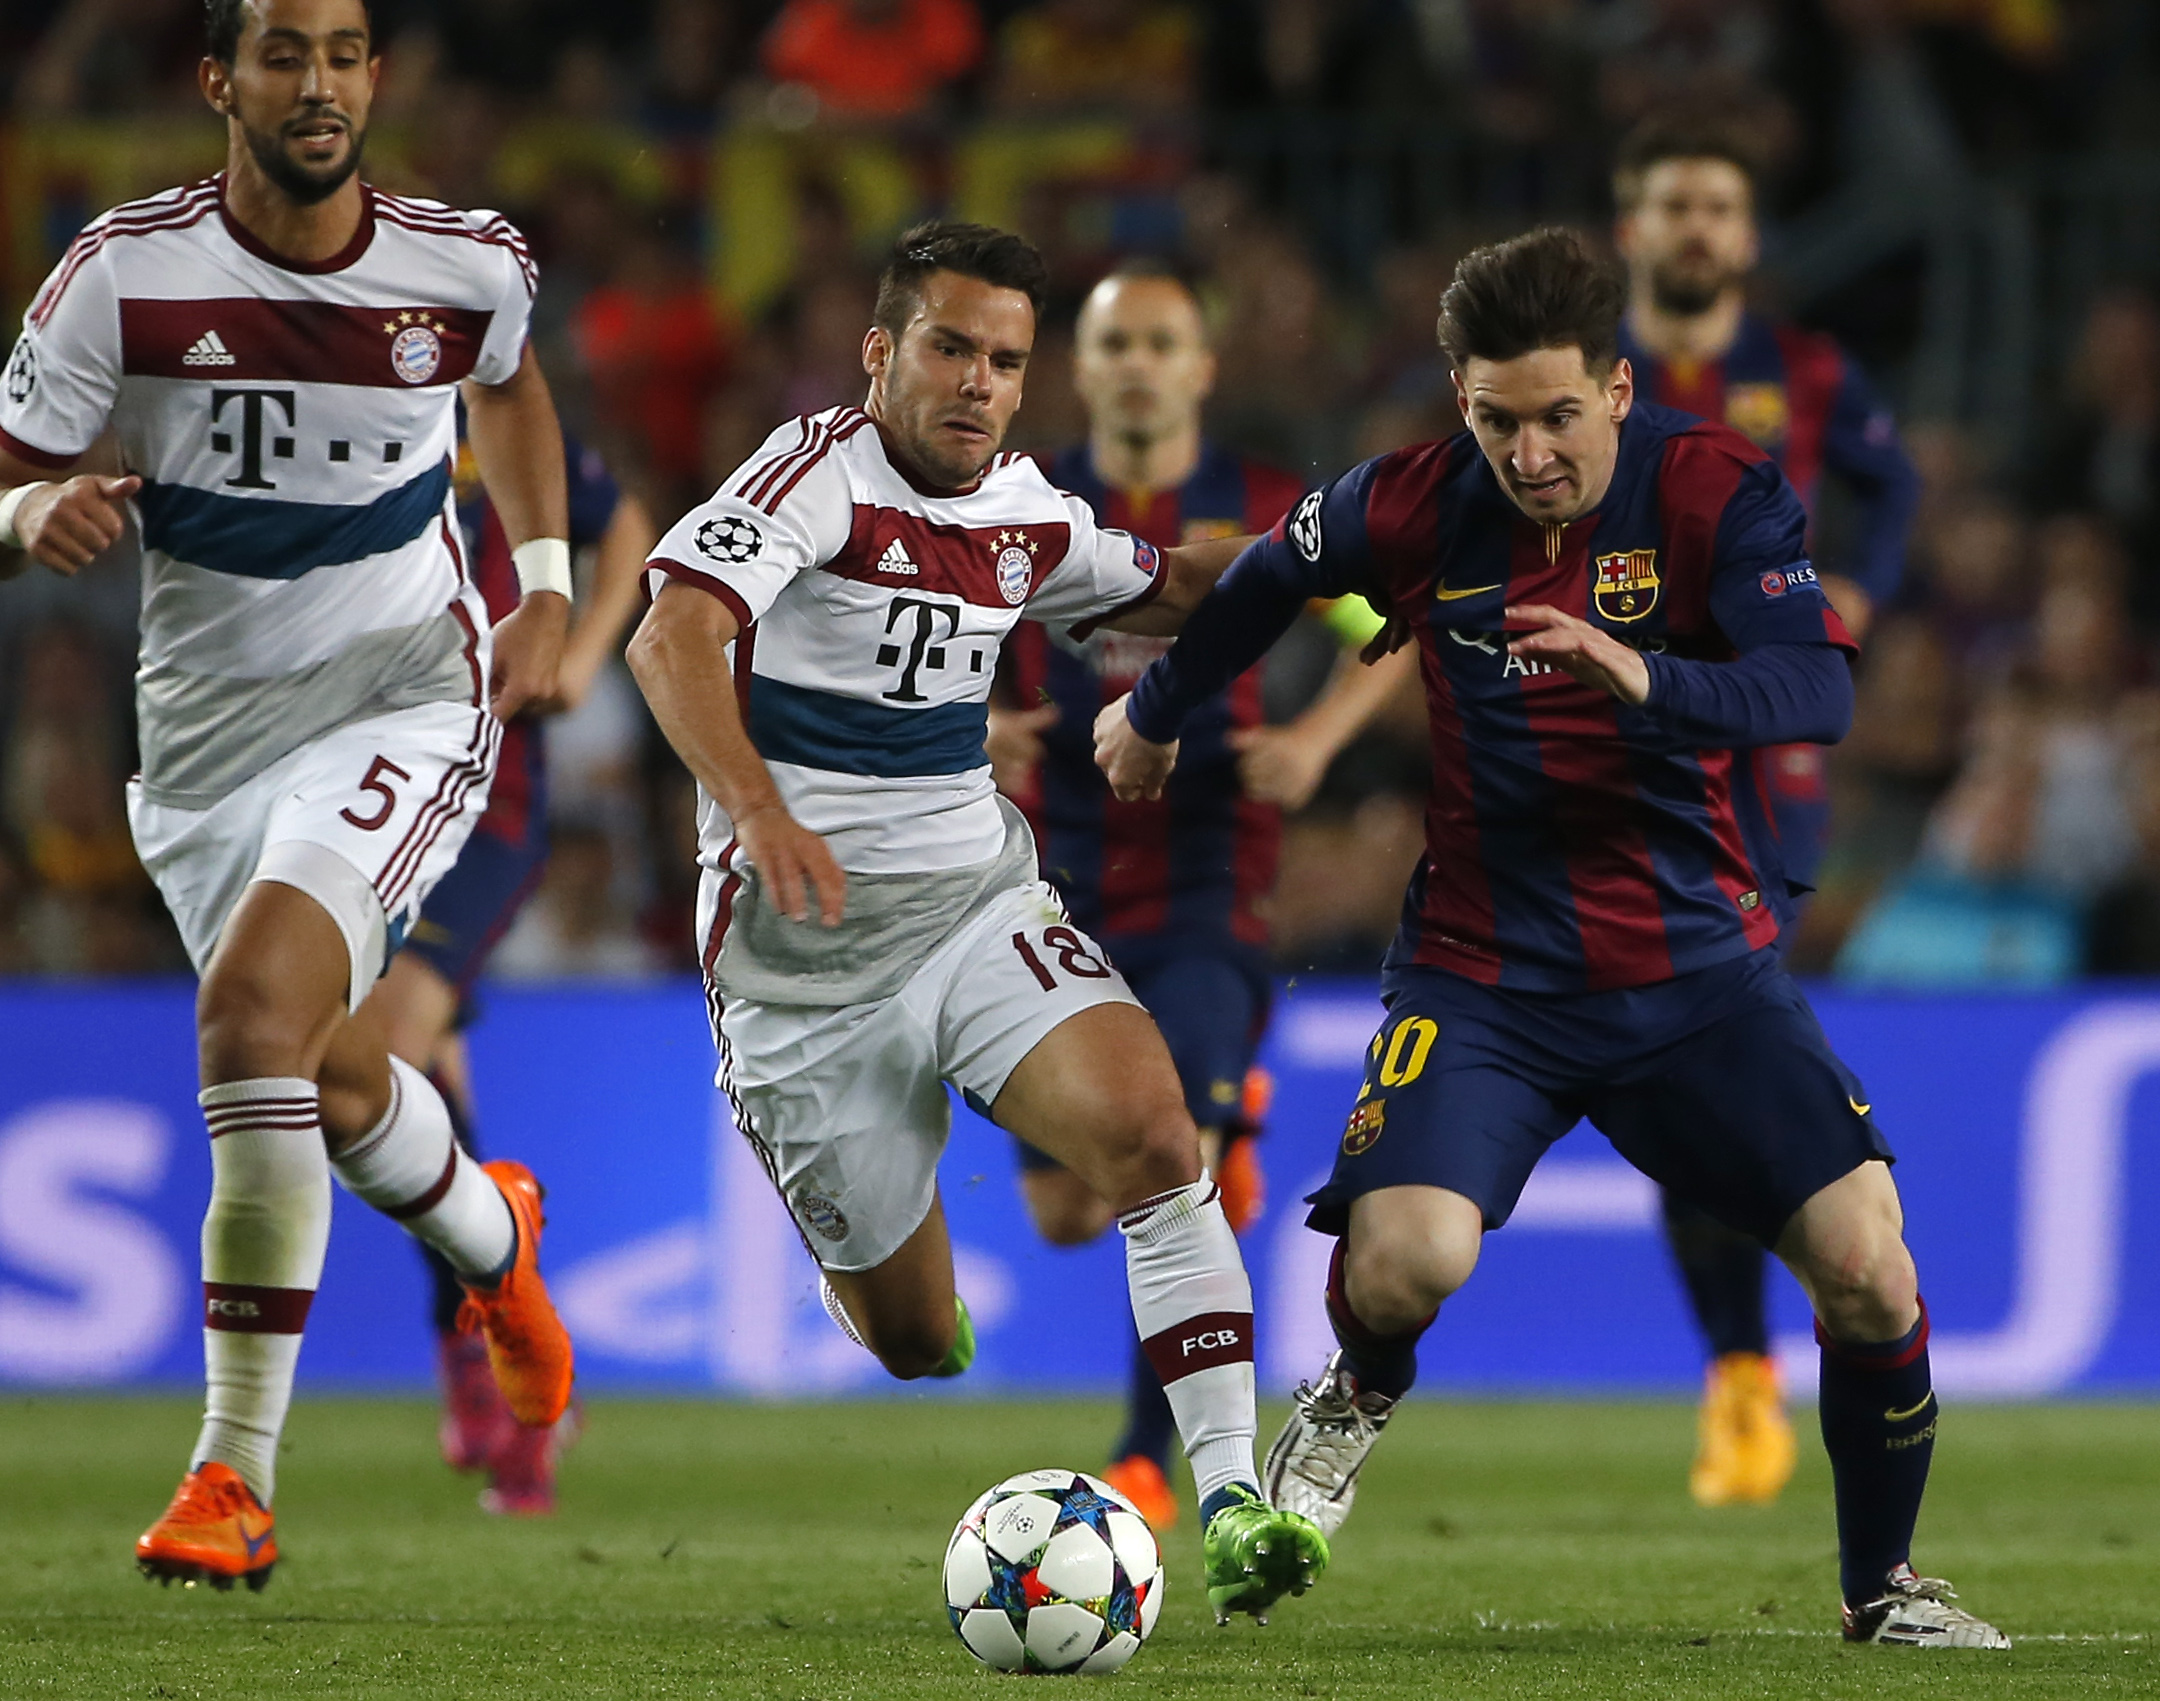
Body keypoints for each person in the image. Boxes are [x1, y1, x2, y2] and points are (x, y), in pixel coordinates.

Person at [1096, 228, 2009, 1649]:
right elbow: (1269, 575)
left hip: (1695, 973)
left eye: (1559, 416)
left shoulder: (1712, 486)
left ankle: (1881, 1586)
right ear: (1460, 401)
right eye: (1496, 420)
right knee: (1404, 1264)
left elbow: (1815, 691)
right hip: (1485, 978)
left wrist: (1644, 673)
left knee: (1869, 1266)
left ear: (1619, 389)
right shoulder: (1408, 501)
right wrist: (1154, 714)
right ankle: (1356, 1386)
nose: (1529, 454)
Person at [625, 220, 1328, 1625]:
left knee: (1155, 1137)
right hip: (800, 967)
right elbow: (671, 633)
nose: (978, 384)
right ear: (880, 352)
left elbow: (1172, 584)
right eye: (950, 348)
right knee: (909, 1338)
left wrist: (1338, 545)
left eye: (1005, 361)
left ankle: (1232, 1499)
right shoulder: (812, 479)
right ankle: (899, 1294)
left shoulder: (1026, 511)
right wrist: (758, 807)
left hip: (972, 909)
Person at [0, 0, 575, 1590]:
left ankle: (231, 1479)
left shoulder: (463, 263)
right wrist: (30, 512)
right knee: (324, 1080)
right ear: (220, 81)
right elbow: (6, 467)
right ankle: (493, 1235)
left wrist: (543, 581)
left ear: (373, 77)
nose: (315, 83)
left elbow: (511, 387)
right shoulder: (123, 274)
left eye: (341, 52)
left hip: (401, 691)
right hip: (199, 743)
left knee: (251, 1019)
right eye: (281, 53)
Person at [990, 259, 1414, 1529]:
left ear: (1202, 368)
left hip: (1209, 871)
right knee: (1069, 1211)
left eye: (1162, 343)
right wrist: (977, 726)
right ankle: (1226, 1117)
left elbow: (1390, 625)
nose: (1139, 366)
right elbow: (936, 633)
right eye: (1116, 344)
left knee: (1177, 1164)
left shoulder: (1270, 507)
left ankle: (1142, 1453)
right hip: (1053, 872)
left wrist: (1319, 741)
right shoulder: (1022, 499)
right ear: (1084, 367)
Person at [1611, 113, 1921, 1506]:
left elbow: (1892, 482)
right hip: (1620, 748)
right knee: (1683, 1060)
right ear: (1632, 226)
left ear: (1745, 235)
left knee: (1709, 1044)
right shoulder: (1582, 378)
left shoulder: (1802, 370)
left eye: (1718, 207)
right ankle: (1740, 1365)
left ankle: (1743, 1369)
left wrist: (1864, 592)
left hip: (1760, 766)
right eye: (1675, 204)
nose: (1697, 228)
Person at [363, 419, 653, 1516]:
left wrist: (580, 656)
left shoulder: (496, 413)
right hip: (359, 799)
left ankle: (489, 1344)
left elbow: (624, 522)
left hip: (486, 803)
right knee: (405, 1094)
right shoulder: (337, 402)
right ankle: (514, 1373)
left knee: (382, 1058)